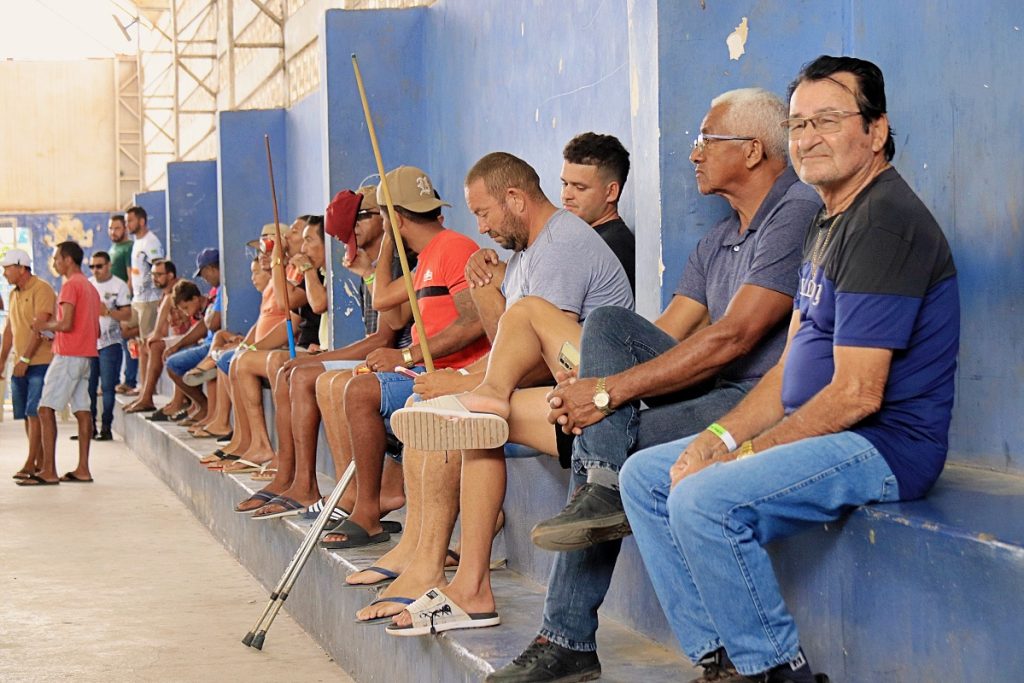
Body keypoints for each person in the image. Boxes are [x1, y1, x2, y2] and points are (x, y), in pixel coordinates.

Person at [393, 89, 820, 675]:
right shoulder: (719, 239)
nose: (693, 153)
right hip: (708, 392)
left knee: (607, 445)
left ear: (751, 150)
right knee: (609, 329)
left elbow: (735, 338)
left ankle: (568, 637)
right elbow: (661, 333)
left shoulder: (793, 211)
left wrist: (604, 393)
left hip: (756, 400)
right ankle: (595, 492)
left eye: (705, 141)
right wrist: (595, 381)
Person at [619, 55, 960, 683]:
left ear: (876, 130)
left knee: (706, 499)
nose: (808, 138)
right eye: (798, 125)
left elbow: (857, 394)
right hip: (829, 429)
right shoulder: (828, 218)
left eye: (827, 121)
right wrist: (717, 439)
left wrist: (744, 458)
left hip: (884, 445)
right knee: (646, 476)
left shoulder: (884, 222)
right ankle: (723, 660)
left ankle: (776, 669)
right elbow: (790, 370)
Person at [351, 150, 635, 626]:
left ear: (515, 199)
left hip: (601, 405)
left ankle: (445, 575)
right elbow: (512, 350)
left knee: (460, 414)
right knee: (448, 412)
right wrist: (485, 289)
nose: (481, 228)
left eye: (484, 213)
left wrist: (466, 380)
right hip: (561, 396)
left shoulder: (562, 244)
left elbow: (542, 362)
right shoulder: (526, 254)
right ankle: (436, 566)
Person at [274, 166, 490, 534]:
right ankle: (358, 498)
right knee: (344, 384)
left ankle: (367, 508)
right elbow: (384, 298)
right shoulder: (427, 255)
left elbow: (474, 323)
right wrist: (391, 238)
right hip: (422, 368)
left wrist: (406, 356)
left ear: (396, 218)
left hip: (452, 373)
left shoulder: (453, 247)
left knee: (358, 390)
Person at [235, 186, 412, 512]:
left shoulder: (393, 263)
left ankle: (326, 487)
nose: (354, 226)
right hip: (383, 359)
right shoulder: (371, 264)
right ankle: (290, 476)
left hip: (400, 364)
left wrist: (324, 357)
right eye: (352, 220)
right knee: (291, 370)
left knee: (306, 375)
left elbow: (383, 339)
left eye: (363, 216)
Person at [221, 217, 322, 475]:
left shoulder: (311, 271)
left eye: (301, 235)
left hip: (310, 349)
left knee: (259, 362)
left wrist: (279, 260)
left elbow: (287, 304)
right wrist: (251, 346)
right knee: (238, 359)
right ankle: (253, 442)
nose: (288, 240)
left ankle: (274, 451)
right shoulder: (302, 271)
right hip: (302, 348)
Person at [23, 241, 101, 485]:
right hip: (86, 356)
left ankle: (48, 470)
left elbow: (66, 324)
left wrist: (43, 325)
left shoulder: (70, 286)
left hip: (68, 356)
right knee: (83, 411)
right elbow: (94, 329)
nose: (54, 263)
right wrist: (54, 333)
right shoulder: (90, 287)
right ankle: (83, 469)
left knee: (45, 409)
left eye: (57, 258)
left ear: (68, 260)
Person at [0, 248, 56, 480]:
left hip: (40, 362)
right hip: (19, 363)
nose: (4, 273)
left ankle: (31, 463)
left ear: (21, 268)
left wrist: (25, 359)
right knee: (26, 414)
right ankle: (38, 461)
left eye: (7, 268)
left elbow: (40, 327)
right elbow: (10, 330)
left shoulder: (42, 289)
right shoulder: (13, 294)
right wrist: (2, 361)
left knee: (36, 412)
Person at [560, 132, 635, 293]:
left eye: (580, 187)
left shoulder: (612, 248)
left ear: (611, 192)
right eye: (565, 184)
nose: (566, 195)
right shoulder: (588, 240)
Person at [164, 248, 222, 426]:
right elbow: (206, 323)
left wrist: (209, 317)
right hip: (209, 343)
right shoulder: (215, 291)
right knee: (176, 355)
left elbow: (212, 324)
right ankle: (200, 408)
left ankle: (204, 407)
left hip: (213, 346)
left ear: (211, 268)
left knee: (173, 364)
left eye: (204, 273)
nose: (204, 278)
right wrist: (178, 344)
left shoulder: (222, 290)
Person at [124, 259, 183, 414]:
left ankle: (147, 397)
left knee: (154, 346)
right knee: (145, 345)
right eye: (153, 275)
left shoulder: (178, 290)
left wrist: (154, 335)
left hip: (188, 338)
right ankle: (144, 395)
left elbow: (159, 333)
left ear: (170, 275)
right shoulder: (163, 295)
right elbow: (162, 332)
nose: (154, 278)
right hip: (177, 339)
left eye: (159, 275)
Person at [85, 251, 131, 441]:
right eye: (92, 266)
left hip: (110, 343)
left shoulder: (119, 286)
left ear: (109, 265)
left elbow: (127, 314)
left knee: (107, 387)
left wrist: (108, 312)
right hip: (88, 344)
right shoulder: (88, 285)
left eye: (99, 266)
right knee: (89, 388)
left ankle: (106, 427)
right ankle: (89, 428)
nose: (95, 270)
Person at [127, 206, 164, 396]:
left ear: (141, 221)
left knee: (146, 344)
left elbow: (159, 267)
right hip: (137, 299)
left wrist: (157, 291)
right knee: (124, 329)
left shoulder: (151, 242)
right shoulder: (137, 242)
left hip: (149, 300)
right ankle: (141, 383)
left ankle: (147, 388)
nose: (128, 225)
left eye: (130, 221)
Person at [107, 214, 137, 394]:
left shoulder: (129, 248)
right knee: (115, 343)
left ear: (125, 228)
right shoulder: (113, 248)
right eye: (111, 228)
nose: (113, 232)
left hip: (124, 303)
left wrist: (124, 301)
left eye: (117, 228)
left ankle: (130, 380)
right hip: (112, 305)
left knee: (128, 340)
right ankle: (114, 381)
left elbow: (130, 277)